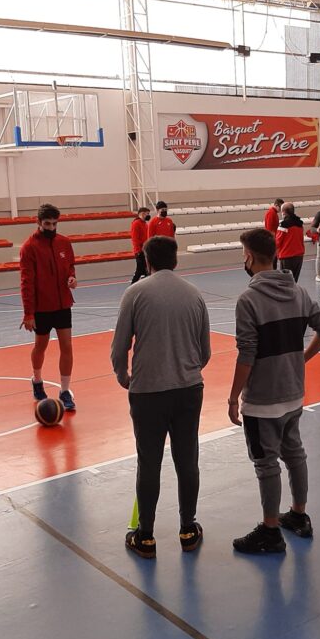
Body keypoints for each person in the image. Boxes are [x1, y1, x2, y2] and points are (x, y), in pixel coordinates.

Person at [228, 229, 320, 554]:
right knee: (295, 453)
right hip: (293, 393)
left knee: (267, 465)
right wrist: (302, 359)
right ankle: (299, 515)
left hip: (262, 401)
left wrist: (233, 397)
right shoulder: (298, 292)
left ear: (249, 257)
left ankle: (270, 530)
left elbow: (247, 354)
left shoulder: (248, 300)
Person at [112, 236, 212, 559]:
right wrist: (185, 371)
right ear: (176, 260)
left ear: (146, 261)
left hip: (147, 393)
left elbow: (119, 347)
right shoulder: (194, 295)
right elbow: (205, 352)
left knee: (149, 462)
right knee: (187, 459)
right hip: (188, 390)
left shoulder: (135, 293)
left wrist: (124, 376)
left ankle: (145, 536)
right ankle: (188, 529)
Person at [19, 203, 77, 410]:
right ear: (38, 222)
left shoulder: (64, 243)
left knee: (67, 346)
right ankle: (37, 380)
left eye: (54, 224)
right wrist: (28, 313)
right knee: (40, 346)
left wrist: (72, 278)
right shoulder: (29, 247)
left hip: (63, 304)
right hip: (41, 308)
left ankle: (65, 391)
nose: (51, 227)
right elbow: (26, 282)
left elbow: (70, 267)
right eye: (47, 224)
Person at [275, 202, 306, 281]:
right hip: (299, 256)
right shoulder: (300, 224)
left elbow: (277, 242)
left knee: (285, 282)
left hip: (287, 257)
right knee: (294, 281)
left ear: (284, 212)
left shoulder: (283, 225)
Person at [130, 206, 151, 284]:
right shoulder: (136, 223)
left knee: (146, 271)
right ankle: (132, 285)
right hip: (140, 251)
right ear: (142, 214)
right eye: (147, 214)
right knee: (140, 270)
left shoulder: (145, 224)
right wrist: (138, 251)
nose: (148, 215)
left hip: (145, 250)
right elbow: (135, 238)